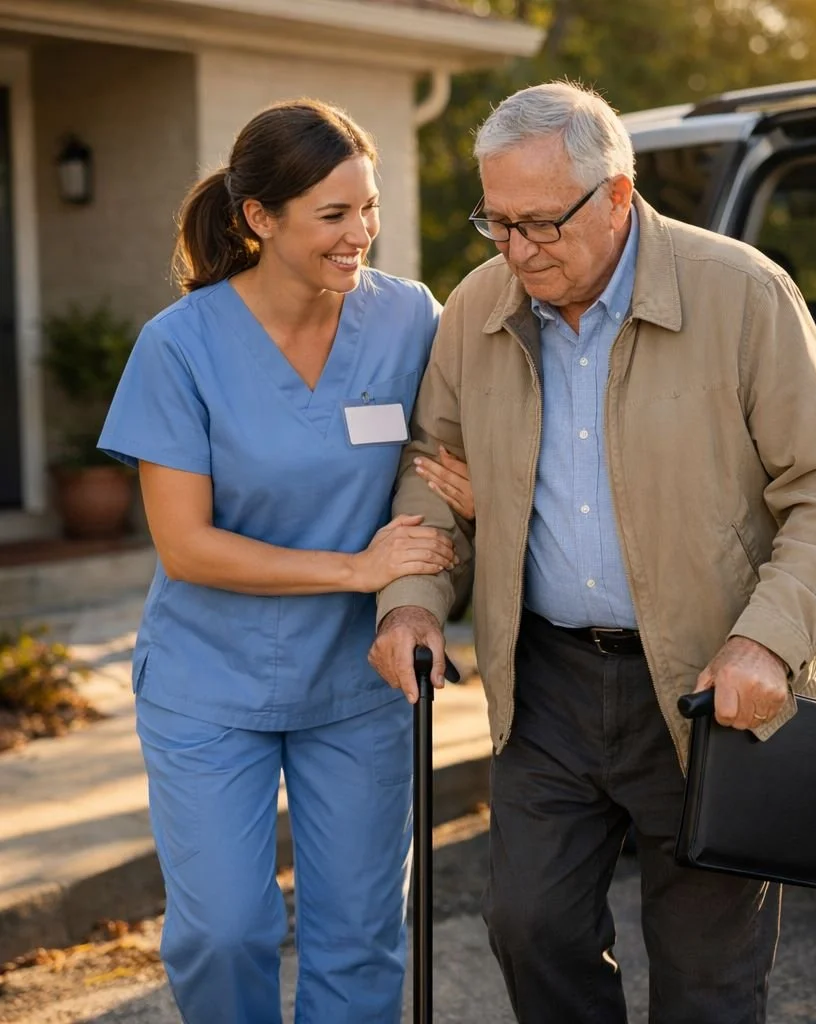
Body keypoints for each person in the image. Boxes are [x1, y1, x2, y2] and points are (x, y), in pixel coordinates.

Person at [370, 82, 816, 1023]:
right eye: (497, 224)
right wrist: (409, 600)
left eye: (540, 225)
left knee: (705, 976)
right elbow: (430, 481)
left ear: (615, 195)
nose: (518, 251)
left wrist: (767, 640)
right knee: (530, 928)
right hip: (549, 681)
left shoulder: (744, 293)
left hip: (707, 678)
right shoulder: (479, 309)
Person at [97, 99, 473, 1024]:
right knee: (224, 932)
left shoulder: (407, 320)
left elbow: (449, 445)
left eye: (370, 208)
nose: (363, 236)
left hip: (356, 686)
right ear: (259, 219)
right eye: (334, 215)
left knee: (360, 937)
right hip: (207, 687)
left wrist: (474, 488)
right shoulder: (179, 347)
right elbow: (186, 547)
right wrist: (357, 568)